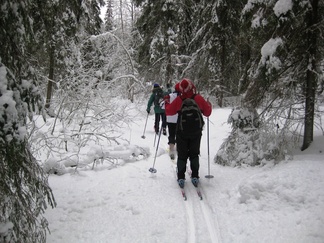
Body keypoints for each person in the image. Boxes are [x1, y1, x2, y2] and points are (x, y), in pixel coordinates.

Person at [165, 78, 212, 188]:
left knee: (182, 154)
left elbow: (169, 111)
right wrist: (209, 104)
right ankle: (195, 176)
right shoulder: (198, 98)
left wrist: (167, 101)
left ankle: (181, 177)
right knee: (194, 153)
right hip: (196, 131)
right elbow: (208, 112)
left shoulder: (179, 100)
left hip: (181, 131)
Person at [162, 83, 181, 159]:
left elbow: (162, 105)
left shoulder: (169, 96)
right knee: (179, 134)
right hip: (180, 119)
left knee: (172, 133)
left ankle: (171, 149)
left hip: (170, 119)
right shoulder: (183, 97)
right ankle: (179, 149)